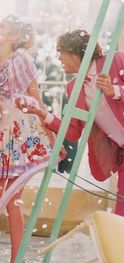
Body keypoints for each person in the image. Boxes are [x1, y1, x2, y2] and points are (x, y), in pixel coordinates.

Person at [0, 15, 63, 263]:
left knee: (13, 200)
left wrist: (53, 136)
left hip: (24, 134)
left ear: (15, 37)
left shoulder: (21, 60)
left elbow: (35, 99)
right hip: (4, 136)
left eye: (3, 27)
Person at [16, 29, 124, 216]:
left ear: (75, 52)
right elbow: (73, 131)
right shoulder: (73, 87)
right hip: (121, 153)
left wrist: (115, 90)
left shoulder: (116, 61)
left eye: (61, 52)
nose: (59, 58)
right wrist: (41, 113)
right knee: (121, 210)